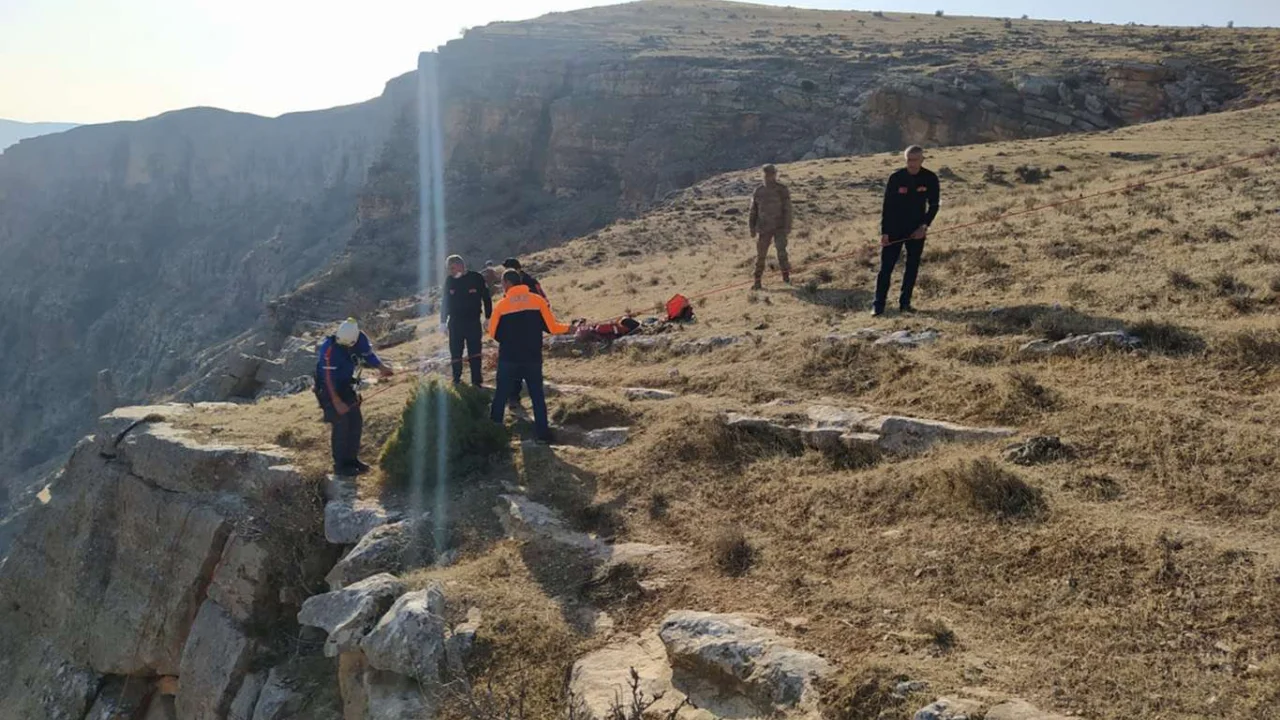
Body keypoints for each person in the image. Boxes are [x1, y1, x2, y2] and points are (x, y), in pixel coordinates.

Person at [488, 269, 571, 443]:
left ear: (508, 284)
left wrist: (507, 340)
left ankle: (493, 430)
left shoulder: (501, 306)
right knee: (537, 395)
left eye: (503, 284)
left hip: (509, 358)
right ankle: (542, 434)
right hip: (532, 357)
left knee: (501, 393)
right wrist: (571, 328)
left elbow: (492, 332)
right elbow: (553, 328)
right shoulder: (537, 301)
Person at [315, 318, 393, 476]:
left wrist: (382, 368)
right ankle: (340, 465)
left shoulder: (360, 338)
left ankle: (352, 459)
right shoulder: (328, 349)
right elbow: (327, 378)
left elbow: (368, 355)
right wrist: (336, 402)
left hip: (345, 385)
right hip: (328, 389)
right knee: (341, 423)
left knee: (355, 421)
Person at [873, 145, 940, 317]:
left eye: (915, 160)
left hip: (916, 230)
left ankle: (905, 304)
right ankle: (878, 306)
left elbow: (933, 206)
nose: (911, 163)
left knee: (912, 267)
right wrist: (885, 232)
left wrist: (924, 227)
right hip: (894, 229)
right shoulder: (896, 178)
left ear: (922, 160)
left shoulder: (930, 178)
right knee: (886, 268)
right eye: (908, 160)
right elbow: (887, 206)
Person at [440, 255, 493, 386]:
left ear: (461, 265)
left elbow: (486, 298)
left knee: (475, 352)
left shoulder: (476, 278)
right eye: (449, 269)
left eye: (452, 268)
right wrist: (442, 322)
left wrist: (488, 317)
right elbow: (445, 302)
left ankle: (477, 381)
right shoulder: (449, 281)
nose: (451, 271)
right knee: (455, 352)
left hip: (473, 321)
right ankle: (457, 379)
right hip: (455, 322)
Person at [748, 164, 793, 290]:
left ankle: (786, 277)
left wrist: (787, 226)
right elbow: (753, 211)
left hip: (779, 228)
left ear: (775, 174)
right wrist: (751, 227)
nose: (769, 177)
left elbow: (787, 209)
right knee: (761, 256)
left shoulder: (782, 189)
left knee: (782, 253)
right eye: (767, 174)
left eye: (772, 174)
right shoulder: (759, 191)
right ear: (763, 175)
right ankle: (757, 282)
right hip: (763, 228)